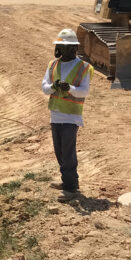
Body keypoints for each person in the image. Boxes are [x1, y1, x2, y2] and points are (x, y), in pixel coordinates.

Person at [41, 28, 93, 200]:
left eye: (70, 47)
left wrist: (69, 88)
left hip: (71, 117)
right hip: (55, 115)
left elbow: (84, 92)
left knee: (68, 152)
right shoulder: (53, 65)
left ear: (75, 48)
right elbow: (44, 87)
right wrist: (54, 86)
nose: (68, 50)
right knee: (60, 152)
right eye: (64, 47)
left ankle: (71, 188)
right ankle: (67, 181)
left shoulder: (83, 67)